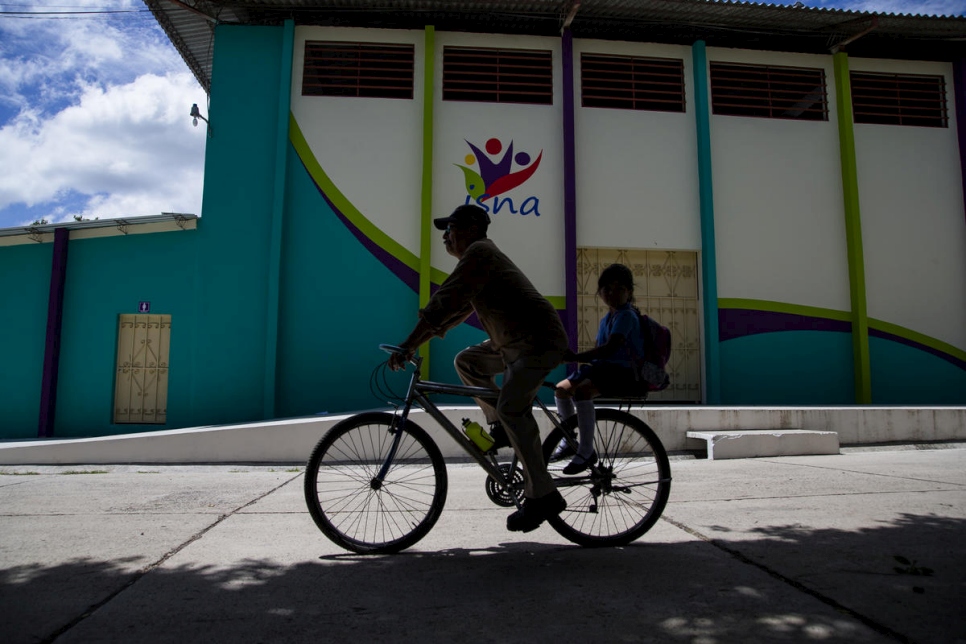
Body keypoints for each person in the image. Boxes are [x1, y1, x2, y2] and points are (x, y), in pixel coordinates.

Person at [388, 204, 569, 533]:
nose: (446, 236)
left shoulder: (479, 253)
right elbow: (450, 314)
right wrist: (414, 342)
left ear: (471, 229)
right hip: (513, 343)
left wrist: (408, 344)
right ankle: (498, 426)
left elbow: (445, 302)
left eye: (451, 228)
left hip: (537, 341)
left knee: (514, 409)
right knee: (467, 361)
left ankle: (543, 495)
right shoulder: (476, 263)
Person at [554, 263, 647, 474]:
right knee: (561, 390)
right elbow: (600, 351)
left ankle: (586, 450)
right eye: (606, 289)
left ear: (629, 292)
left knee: (582, 392)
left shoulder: (626, 316)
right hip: (604, 369)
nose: (612, 294)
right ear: (600, 292)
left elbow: (609, 349)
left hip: (624, 372)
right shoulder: (607, 318)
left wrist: (576, 357)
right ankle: (570, 440)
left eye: (618, 289)